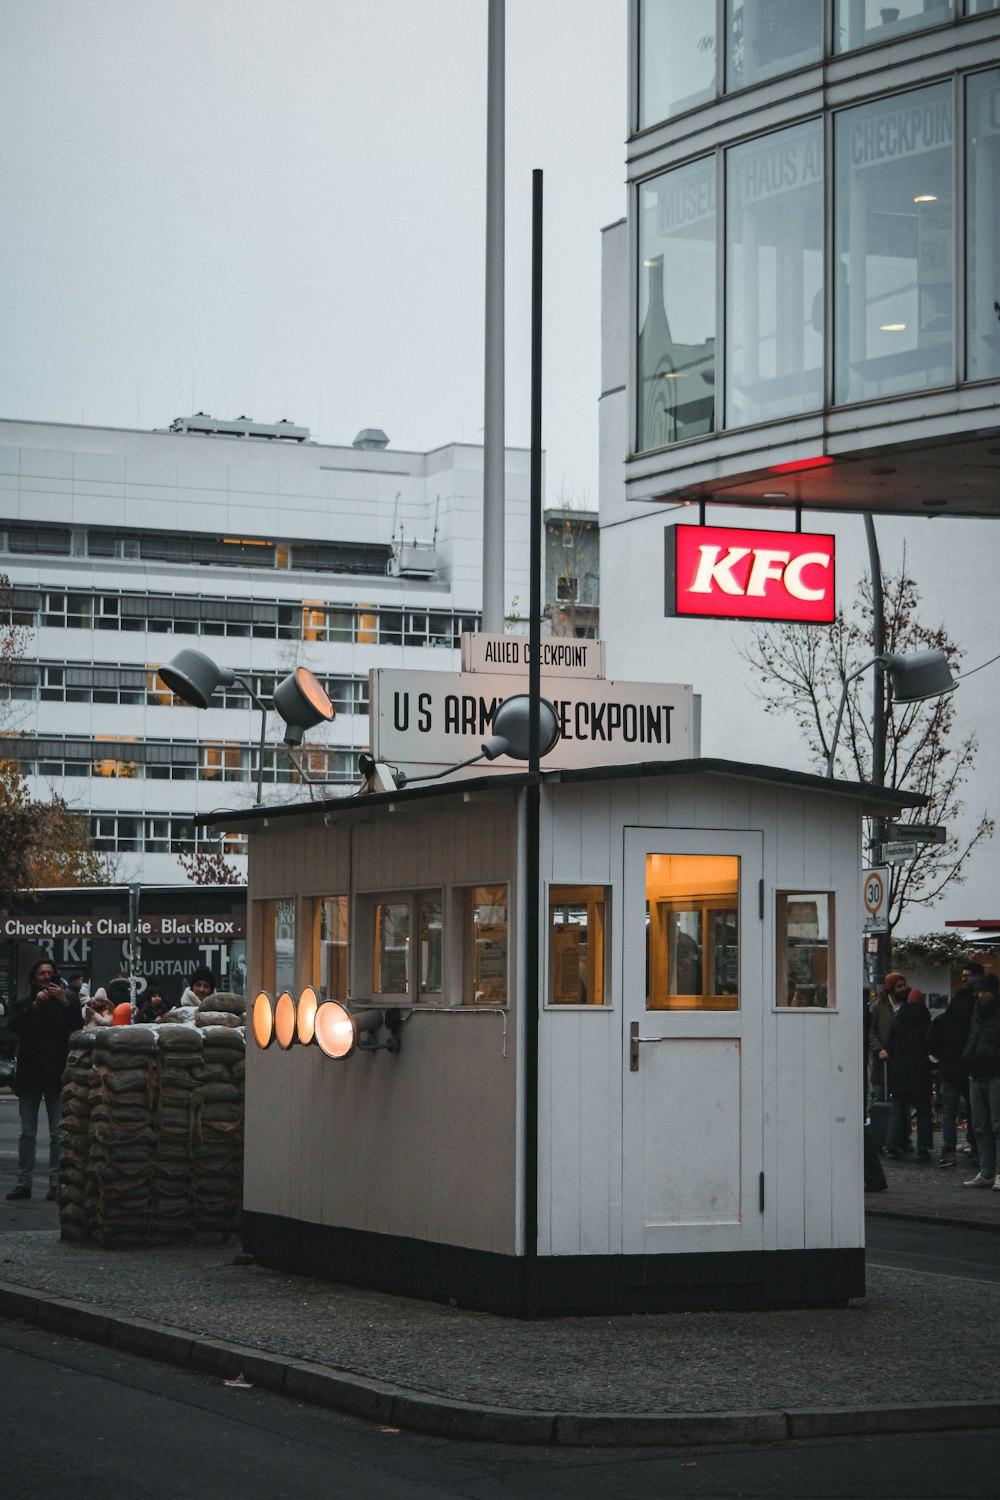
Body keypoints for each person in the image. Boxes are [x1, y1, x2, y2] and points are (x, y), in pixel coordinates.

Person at [5, 959, 83, 1201]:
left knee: (57, 1134)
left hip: (55, 1074)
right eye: (42, 974)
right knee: (27, 1133)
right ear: (33, 979)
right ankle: (24, 1183)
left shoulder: (64, 1004)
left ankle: (55, 1183)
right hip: (29, 1074)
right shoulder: (24, 1004)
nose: (47, 978)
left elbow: (78, 1025)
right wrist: (36, 1006)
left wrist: (65, 1001)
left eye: (50, 973)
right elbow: (14, 1026)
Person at [928, 984, 976, 1167]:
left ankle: (948, 1151)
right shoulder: (974, 1019)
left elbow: (931, 1042)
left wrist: (940, 1059)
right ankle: (977, 1149)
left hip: (948, 1070)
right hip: (971, 1071)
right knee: (975, 1113)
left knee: (949, 1113)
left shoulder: (942, 1020)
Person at [883, 988, 933, 1160]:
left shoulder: (898, 1021)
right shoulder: (926, 1021)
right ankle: (923, 1146)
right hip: (921, 1071)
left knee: (897, 1110)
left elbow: (889, 1047)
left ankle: (891, 1145)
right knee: (924, 1111)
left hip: (900, 1072)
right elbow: (931, 1047)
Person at [962, 973, 1000, 1190]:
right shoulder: (977, 1010)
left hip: (994, 1071)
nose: (980, 995)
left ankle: (995, 1172)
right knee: (980, 1126)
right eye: (978, 991)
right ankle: (986, 1172)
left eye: (984, 991)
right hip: (977, 1070)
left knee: (996, 1125)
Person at [869, 971, 909, 1104]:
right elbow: (871, 1030)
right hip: (882, 1064)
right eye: (899, 986)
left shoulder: (907, 1007)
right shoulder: (878, 1007)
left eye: (904, 985)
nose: (903, 989)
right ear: (891, 988)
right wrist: (879, 1049)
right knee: (880, 1100)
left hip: (901, 1062)